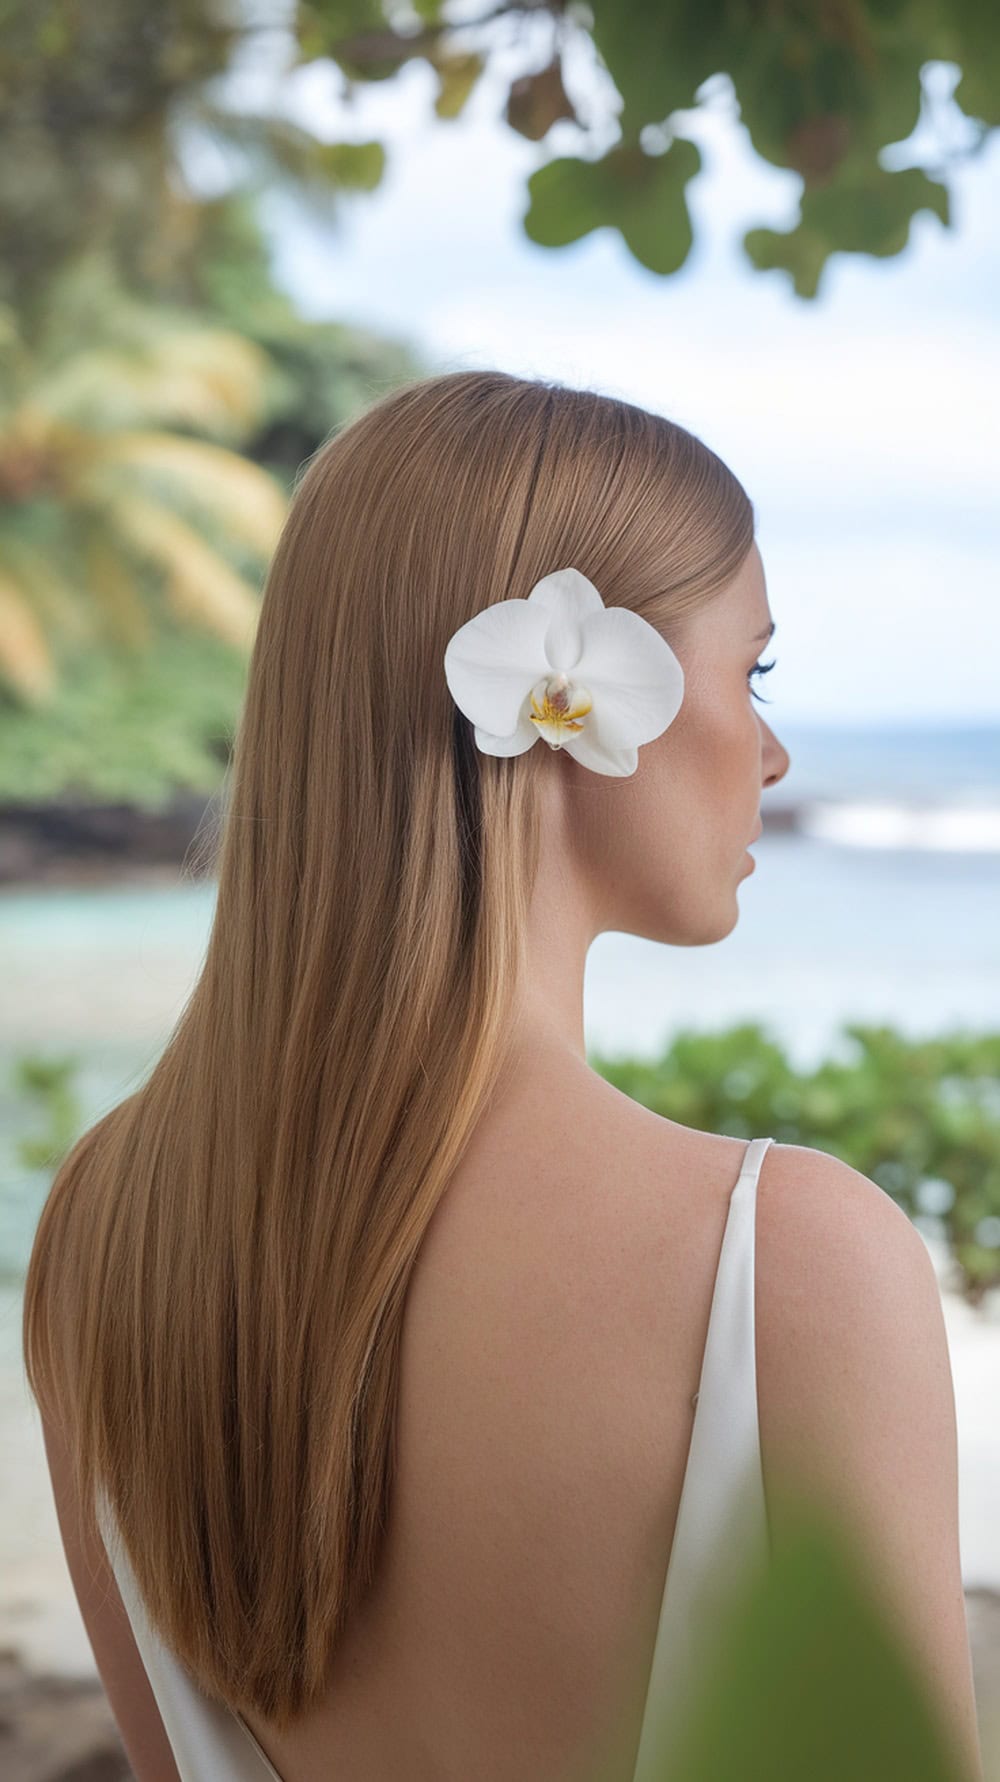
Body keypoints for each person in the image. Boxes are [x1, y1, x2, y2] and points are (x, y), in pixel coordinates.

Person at [23, 369, 983, 1781]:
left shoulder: (106, 1225)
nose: (774, 751)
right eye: (754, 670)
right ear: (576, 703)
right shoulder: (785, 1258)